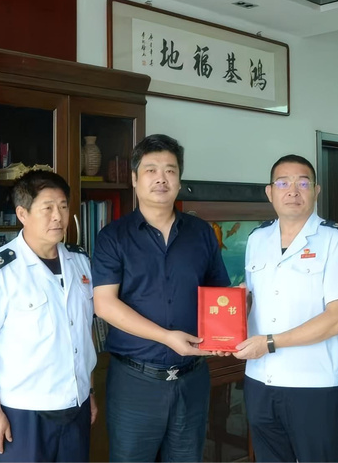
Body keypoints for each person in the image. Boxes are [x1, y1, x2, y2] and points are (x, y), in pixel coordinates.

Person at [92, 134, 230, 462]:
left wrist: (231, 325)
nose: (161, 178)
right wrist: (167, 337)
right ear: (135, 179)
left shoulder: (201, 233)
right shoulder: (113, 237)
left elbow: (219, 294)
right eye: (151, 170)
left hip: (191, 379)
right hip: (134, 382)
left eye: (170, 170)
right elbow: (104, 304)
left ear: (179, 180)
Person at [233, 154, 338, 463]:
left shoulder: (336, 241)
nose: (293, 191)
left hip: (313, 384)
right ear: (270, 192)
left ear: (316, 191)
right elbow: (254, 301)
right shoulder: (257, 238)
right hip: (260, 380)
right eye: (283, 183)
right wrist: (231, 314)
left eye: (302, 183)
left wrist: (270, 342)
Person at [0, 170, 97, 462]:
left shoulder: (80, 261)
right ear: (22, 214)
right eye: (47, 208)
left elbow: (82, 331)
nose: (58, 216)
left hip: (77, 405)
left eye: (63, 206)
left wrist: (89, 390)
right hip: (24, 412)